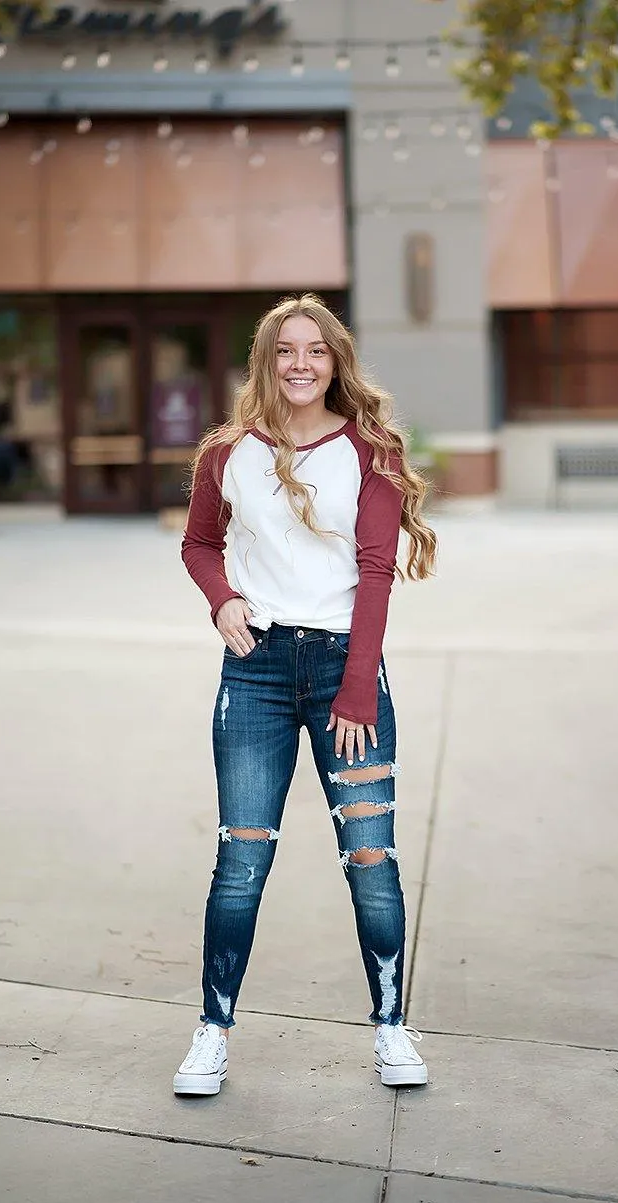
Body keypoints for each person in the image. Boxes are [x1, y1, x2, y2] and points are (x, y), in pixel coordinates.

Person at [174, 293, 438, 1097]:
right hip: (252, 672)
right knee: (240, 859)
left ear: (335, 361)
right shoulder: (228, 452)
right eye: (284, 350)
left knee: (370, 859)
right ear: (265, 360)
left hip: (342, 674)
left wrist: (358, 685)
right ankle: (212, 1031)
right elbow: (199, 542)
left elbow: (374, 571)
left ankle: (391, 1026)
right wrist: (221, 598)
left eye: (314, 351)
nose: (299, 363)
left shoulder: (371, 449)